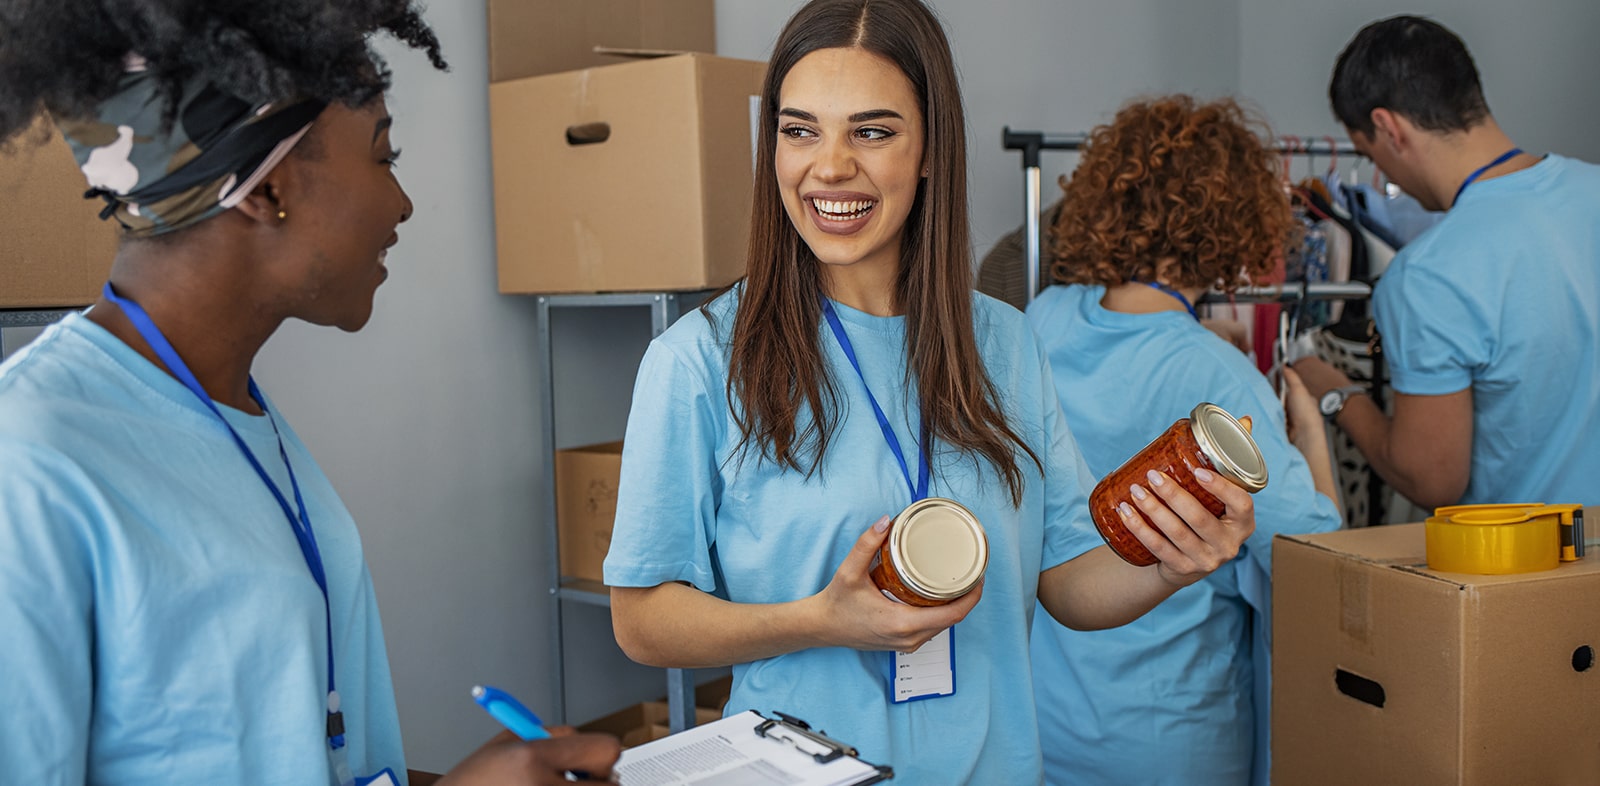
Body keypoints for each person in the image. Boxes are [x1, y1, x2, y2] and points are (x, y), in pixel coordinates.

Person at [601, 1, 1257, 783]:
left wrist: (1171, 564)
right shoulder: (699, 362)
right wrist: (818, 620)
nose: (830, 166)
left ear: (929, 152)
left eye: (872, 131)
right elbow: (641, 621)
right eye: (799, 129)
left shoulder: (1007, 345)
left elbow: (1067, 583)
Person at [0, 2, 620, 783]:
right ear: (265, 191)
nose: (402, 204)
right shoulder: (29, 461)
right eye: (383, 155)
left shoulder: (231, 411)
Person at [1023, 96, 1344, 786]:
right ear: (1235, 225)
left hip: (1048, 721)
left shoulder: (1044, 318)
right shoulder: (1218, 375)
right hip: (1170, 736)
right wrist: (1313, 431)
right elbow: (1313, 556)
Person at [1292, 15, 1600, 509]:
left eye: (1370, 154)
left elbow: (1432, 479)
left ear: (1387, 128)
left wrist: (1338, 395)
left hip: (1535, 571)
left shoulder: (1428, 275)